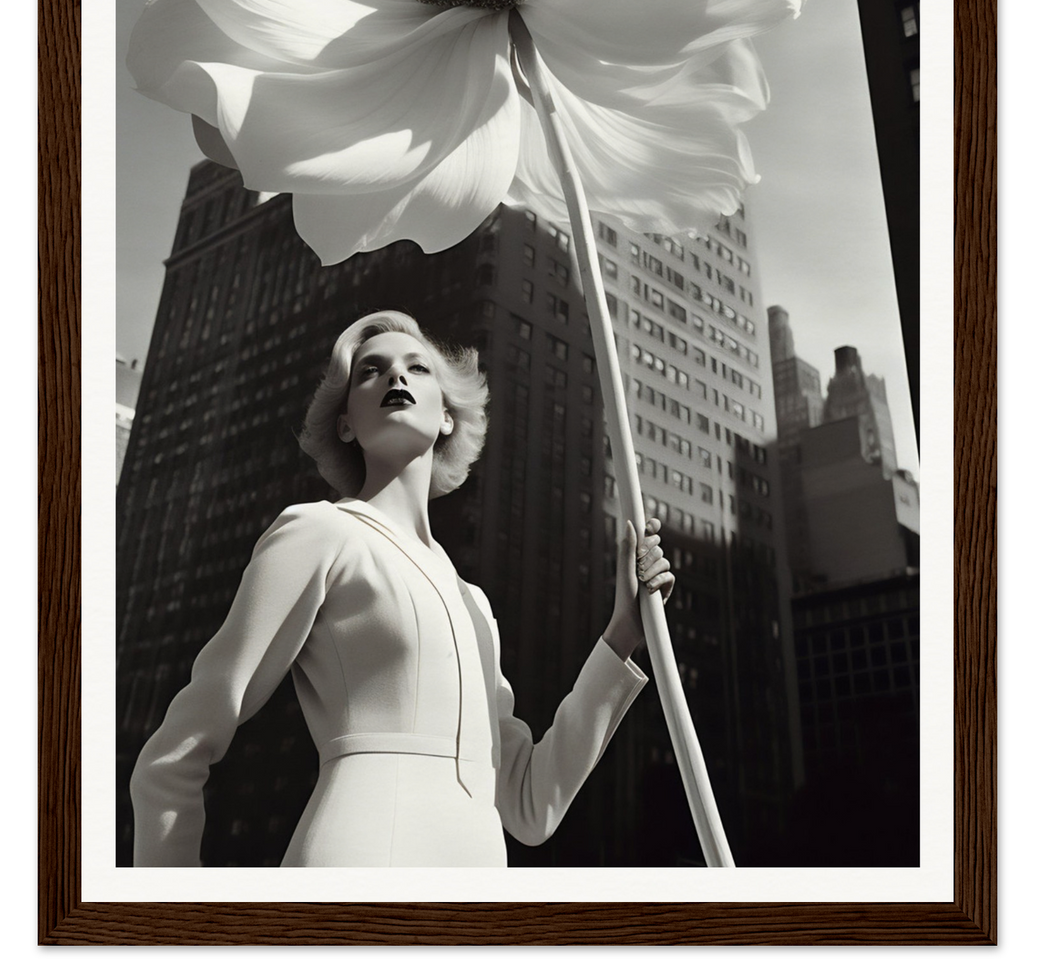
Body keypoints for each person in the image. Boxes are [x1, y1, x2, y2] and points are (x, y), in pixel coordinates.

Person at [131, 309, 675, 867]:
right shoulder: (320, 532)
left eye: (417, 368)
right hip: (357, 865)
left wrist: (623, 633)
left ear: (447, 416)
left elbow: (530, 807)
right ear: (345, 424)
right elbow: (175, 756)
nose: (396, 378)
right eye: (372, 371)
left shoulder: (473, 602)